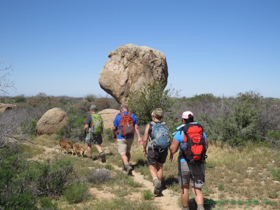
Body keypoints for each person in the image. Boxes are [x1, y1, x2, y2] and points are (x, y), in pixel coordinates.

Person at [170, 111, 208, 210]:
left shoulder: (180, 132)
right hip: (198, 162)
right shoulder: (201, 131)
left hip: (184, 162)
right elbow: (206, 146)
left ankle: (185, 208)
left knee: (185, 188)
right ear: (193, 119)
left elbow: (173, 150)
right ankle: (200, 207)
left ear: (183, 120)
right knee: (197, 188)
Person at [142, 108, 174, 195]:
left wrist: (144, 149)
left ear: (154, 116)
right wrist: (172, 152)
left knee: (152, 167)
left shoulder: (150, 125)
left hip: (153, 149)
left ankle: (155, 181)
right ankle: (158, 187)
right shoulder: (165, 126)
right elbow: (169, 140)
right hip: (164, 149)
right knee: (160, 167)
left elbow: (145, 140)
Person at [112, 104, 142, 175]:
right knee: (127, 152)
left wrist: (114, 134)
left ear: (121, 109)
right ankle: (125, 166)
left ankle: (127, 166)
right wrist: (139, 137)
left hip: (121, 137)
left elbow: (114, 128)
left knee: (122, 153)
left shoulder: (118, 116)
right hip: (131, 137)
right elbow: (136, 128)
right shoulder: (133, 116)